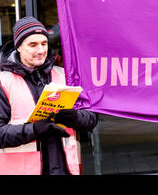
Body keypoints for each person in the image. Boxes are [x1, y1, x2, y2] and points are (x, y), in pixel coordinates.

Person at [0, 16, 98, 175]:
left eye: (44, 43)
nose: (41, 50)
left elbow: (92, 118)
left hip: (65, 170)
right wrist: (34, 129)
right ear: (18, 47)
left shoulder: (64, 75)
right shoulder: (3, 81)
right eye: (33, 45)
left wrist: (75, 118)